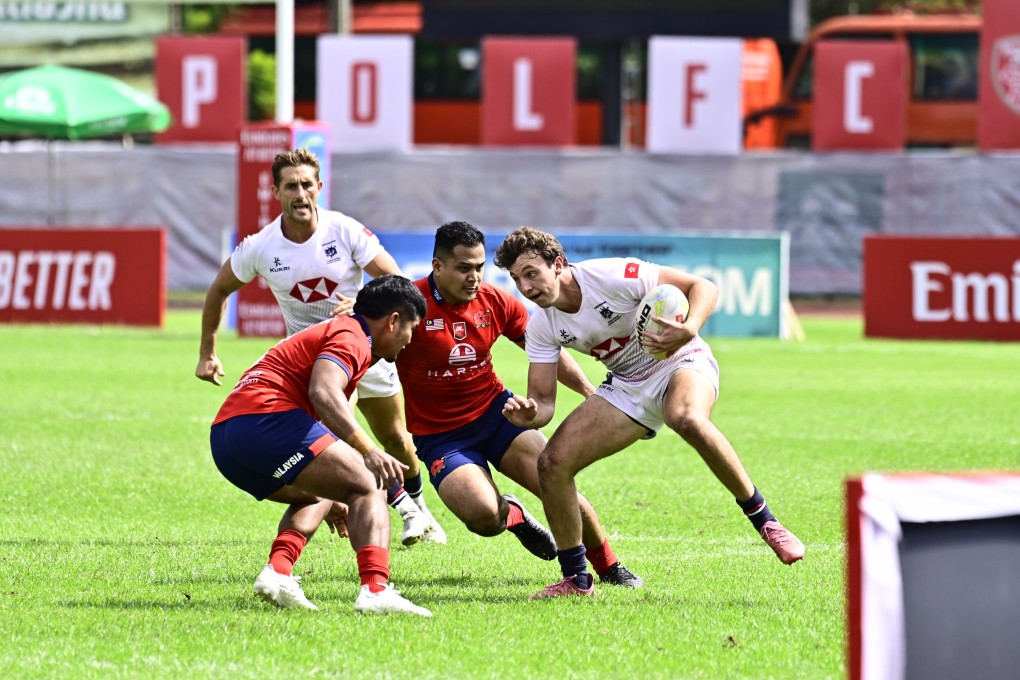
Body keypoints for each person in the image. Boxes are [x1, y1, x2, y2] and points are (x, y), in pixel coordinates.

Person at [494, 226, 805, 600]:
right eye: (517, 279)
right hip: (627, 385)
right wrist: (531, 414)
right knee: (551, 464)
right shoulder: (542, 325)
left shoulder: (609, 276)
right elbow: (543, 402)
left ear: (558, 264)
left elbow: (703, 286)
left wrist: (689, 328)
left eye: (531, 274)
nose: (526, 287)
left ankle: (766, 521)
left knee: (685, 417)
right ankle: (576, 579)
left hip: (681, 360)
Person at [195, 149, 446, 560]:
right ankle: (398, 515)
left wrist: (362, 303)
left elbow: (396, 279)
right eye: (290, 185)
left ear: (319, 187)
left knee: (396, 438)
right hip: (315, 365)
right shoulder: (261, 247)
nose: (300, 193)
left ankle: (420, 510)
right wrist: (208, 352)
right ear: (275, 191)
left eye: (306, 184)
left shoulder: (343, 230)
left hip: (368, 345)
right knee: (337, 439)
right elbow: (219, 289)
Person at [391, 221, 642, 587]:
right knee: (482, 517)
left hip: (499, 416)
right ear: (437, 266)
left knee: (556, 480)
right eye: (464, 268)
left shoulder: (494, 301)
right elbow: (365, 345)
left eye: (479, 267)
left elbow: (544, 351)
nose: (474, 277)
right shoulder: (410, 306)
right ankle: (515, 516)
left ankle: (609, 567)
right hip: (441, 437)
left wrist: (589, 391)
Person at [209, 275, 431, 615]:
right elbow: (323, 392)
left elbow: (329, 423)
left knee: (322, 492)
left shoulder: (347, 336)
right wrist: (370, 452)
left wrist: (340, 490)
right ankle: (375, 590)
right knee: (370, 483)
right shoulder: (352, 337)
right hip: (267, 420)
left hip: (228, 439)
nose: (410, 339)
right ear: (393, 321)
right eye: (412, 329)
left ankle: (278, 572)